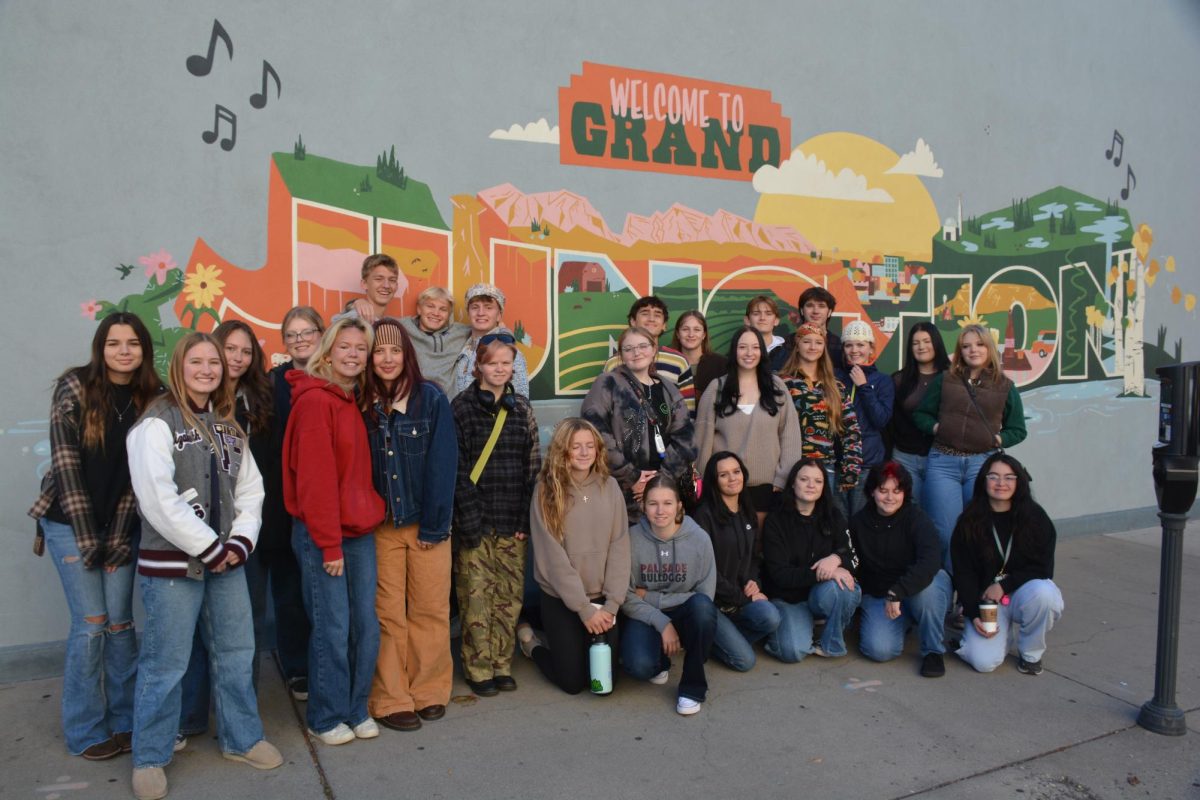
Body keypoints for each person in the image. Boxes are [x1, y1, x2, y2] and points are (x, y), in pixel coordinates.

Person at [127, 333, 280, 799]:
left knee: (236, 652)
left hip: (227, 561)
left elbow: (251, 491)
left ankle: (242, 738)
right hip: (174, 567)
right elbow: (158, 500)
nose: (208, 369)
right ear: (179, 366)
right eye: (197, 361)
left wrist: (239, 542)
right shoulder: (156, 423)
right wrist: (211, 548)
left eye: (214, 362)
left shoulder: (229, 427)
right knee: (164, 663)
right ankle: (150, 756)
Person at [29, 312, 162, 761]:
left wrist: (120, 538)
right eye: (113, 343)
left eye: (132, 343)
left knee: (122, 626)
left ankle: (125, 721)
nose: (123, 351)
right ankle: (85, 729)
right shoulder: (75, 386)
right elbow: (65, 463)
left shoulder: (153, 398)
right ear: (100, 347)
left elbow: (137, 480)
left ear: (144, 349)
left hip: (120, 525)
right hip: (70, 523)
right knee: (92, 626)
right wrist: (90, 540)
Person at [284, 318, 386, 746]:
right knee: (332, 627)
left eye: (360, 349)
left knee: (366, 625)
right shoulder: (314, 402)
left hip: (358, 531)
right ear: (327, 351)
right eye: (344, 346)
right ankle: (325, 716)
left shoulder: (349, 399)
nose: (353, 354)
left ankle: (355, 707)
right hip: (324, 536)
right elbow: (315, 482)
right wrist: (328, 544)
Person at [363, 318, 457, 730]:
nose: (386, 358)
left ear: (407, 355)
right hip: (380, 527)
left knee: (430, 610)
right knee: (387, 614)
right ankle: (390, 696)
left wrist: (435, 527)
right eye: (378, 351)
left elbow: (443, 464)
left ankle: (430, 690)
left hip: (426, 525)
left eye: (395, 350)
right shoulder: (360, 404)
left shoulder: (430, 399)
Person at [451, 334, 541, 696]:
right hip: (475, 520)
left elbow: (531, 467)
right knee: (475, 598)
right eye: (493, 363)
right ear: (479, 366)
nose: (500, 369)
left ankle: (502, 663)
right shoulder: (461, 407)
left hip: (511, 521)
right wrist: (469, 520)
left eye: (507, 363)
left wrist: (524, 520)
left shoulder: (521, 410)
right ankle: (478, 666)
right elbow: (456, 469)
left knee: (508, 596)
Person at [518, 419, 630, 695]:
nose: (583, 452)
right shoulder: (547, 491)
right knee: (573, 682)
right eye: (575, 446)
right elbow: (553, 558)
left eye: (589, 446)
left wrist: (612, 605)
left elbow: (620, 546)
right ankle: (531, 644)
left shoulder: (611, 487)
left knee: (604, 681)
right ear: (562, 451)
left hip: (603, 599)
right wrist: (582, 609)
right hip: (562, 599)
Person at [913, 323, 1028, 562]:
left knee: (976, 531)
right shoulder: (946, 380)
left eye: (979, 345)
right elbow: (921, 414)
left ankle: (969, 594)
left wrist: (999, 438)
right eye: (966, 346)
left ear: (989, 348)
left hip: (982, 464)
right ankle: (944, 592)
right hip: (943, 464)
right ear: (960, 351)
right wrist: (936, 427)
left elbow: (1018, 429)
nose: (973, 350)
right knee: (944, 533)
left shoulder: (1005, 386)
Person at [951, 454, 1063, 675]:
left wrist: (1004, 585)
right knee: (983, 663)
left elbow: (1043, 568)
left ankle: (1031, 653)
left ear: (1018, 481)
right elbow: (963, 574)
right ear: (984, 481)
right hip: (988, 603)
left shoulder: (1035, 517)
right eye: (994, 477)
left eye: (1009, 477)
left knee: (1045, 594)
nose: (1001, 483)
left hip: (1024, 592)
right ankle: (1001, 636)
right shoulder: (969, 521)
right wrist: (973, 613)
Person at [263, 305, 323, 700]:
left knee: (324, 593)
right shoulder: (272, 382)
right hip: (283, 499)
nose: (300, 340)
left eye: (307, 332)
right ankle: (298, 668)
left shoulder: (339, 374)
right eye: (292, 334)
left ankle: (327, 665)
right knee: (289, 591)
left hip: (325, 502)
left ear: (322, 333)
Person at [620, 475, 718, 716]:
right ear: (643, 506)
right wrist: (663, 623)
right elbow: (625, 594)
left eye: (667, 503)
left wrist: (651, 596)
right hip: (647, 615)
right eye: (653, 503)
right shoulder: (631, 539)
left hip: (686, 611)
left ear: (679, 506)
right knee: (640, 666)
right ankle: (661, 659)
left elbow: (705, 594)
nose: (660, 511)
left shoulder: (699, 539)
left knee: (703, 609)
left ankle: (692, 688)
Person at [581, 326, 696, 523]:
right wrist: (632, 477)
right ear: (621, 355)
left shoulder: (669, 389)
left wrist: (658, 481)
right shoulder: (607, 383)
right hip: (620, 490)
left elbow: (685, 438)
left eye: (643, 346)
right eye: (629, 348)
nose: (637, 353)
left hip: (663, 490)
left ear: (654, 350)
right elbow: (594, 432)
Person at [851, 462, 951, 678]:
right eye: (883, 490)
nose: (890, 497)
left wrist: (899, 591)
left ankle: (933, 650)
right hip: (880, 593)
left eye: (897, 491)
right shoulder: (859, 523)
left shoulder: (917, 519)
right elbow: (854, 565)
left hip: (915, 587)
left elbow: (930, 561)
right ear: (871, 492)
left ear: (905, 492)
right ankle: (905, 619)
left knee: (930, 589)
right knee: (878, 650)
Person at [695, 327, 802, 524]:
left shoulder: (776, 386)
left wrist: (783, 479)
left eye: (755, 347)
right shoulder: (717, 388)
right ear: (734, 351)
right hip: (725, 488)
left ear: (762, 351)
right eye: (743, 347)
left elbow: (790, 436)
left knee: (761, 548)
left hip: (767, 488)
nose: (749, 353)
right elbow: (702, 441)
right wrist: (706, 483)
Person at [761, 459, 861, 662]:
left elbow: (854, 560)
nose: (811, 485)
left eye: (818, 481)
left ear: (824, 486)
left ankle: (830, 641)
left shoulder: (833, 515)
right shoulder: (776, 521)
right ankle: (796, 627)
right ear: (792, 483)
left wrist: (836, 558)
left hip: (820, 594)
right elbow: (780, 575)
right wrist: (826, 571)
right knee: (793, 652)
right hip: (788, 599)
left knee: (846, 589)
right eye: (804, 479)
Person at [691, 451, 781, 672]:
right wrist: (743, 598)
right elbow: (704, 572)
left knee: (771, 617)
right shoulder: (704, 516)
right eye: (724, 475)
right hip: (713, 604)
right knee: (744, 661)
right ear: (714, 480)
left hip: (739, 600)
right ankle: (708, 639)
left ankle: (723, 637)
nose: (733, 478)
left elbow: (752, 557)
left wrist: (752, 581)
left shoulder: (746, 510)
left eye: (736, 471)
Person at [779, 323, 863, 495]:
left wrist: (851, 469)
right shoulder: (782, 383)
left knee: (824, 519)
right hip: (791, 466)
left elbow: (851, 430)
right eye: (807, 341)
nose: (812, 347)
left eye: (818, 342)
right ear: (797, 344)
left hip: (825, 468)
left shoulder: (835, 386)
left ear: (824, 347)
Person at [889, 322, 951, 508]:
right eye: (916, 343)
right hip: (905, 457)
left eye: (926, 341)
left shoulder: (952, 377)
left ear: (937, 343)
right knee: (911, 513)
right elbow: (891, 422)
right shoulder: (899, 380)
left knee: (940, 512)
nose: (921, 347)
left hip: (941, 458)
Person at [836, 319, 894, 518]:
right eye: (849, 345)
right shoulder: (836, 378)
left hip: (867, 463)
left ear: (871, 348)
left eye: (861, 344)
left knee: (861, 520)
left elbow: (880, 420)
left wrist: (863, 387)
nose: (854, 350)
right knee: (839, 523)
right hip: (838, 461)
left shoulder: (882, 381)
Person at [452, 283, 529, 398]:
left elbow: (520, 402)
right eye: (475, 307)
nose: (481, 313)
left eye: (488, 307)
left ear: (499, 315)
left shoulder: (509, 352)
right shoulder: (461, 348)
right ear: (468, 313)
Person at [601, 295, 691, 386]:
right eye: (645, 314)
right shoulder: (614, 363)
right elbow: (604, 399)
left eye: (657, 315)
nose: (651, 319)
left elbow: (687, 400)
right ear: (633, 321)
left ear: (664, 325)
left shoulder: (679, 361)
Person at [397, 286, 471, 395]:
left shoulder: (460, 332)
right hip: (414, 401)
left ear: (449, 314)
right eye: (430, 306)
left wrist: (499, 327)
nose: (436, 313)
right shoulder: (403, 327)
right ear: (419, 309)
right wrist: (362, 303)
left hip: (448, 403)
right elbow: (373, 325)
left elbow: (487, 328)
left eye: (443, 309)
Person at [670, 310, 726, 413]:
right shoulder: (668, 364)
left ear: (704, 334)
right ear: (678, 334)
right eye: (685, 329)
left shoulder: (722, 364)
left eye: (697, 329)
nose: (691, 334)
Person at [343, 253, 401, 323]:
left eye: (392, 280)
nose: (386, 285)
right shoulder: (353, 320)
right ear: (364, 284)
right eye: (378, 279)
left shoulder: (392, 323)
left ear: (396, 286)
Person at [797, 286, 843, 370]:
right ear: (801, 311)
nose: (815, 311)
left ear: (829, 312)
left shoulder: (840, 345)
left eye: (821, 306)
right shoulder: (787, 343)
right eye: (810, 305)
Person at [744, 294, 790, 372]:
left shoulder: (788, 352)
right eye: (756, 313)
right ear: (747, 320)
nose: (762, 318)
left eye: (768, 314)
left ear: (776, 320)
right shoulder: (739, 351)